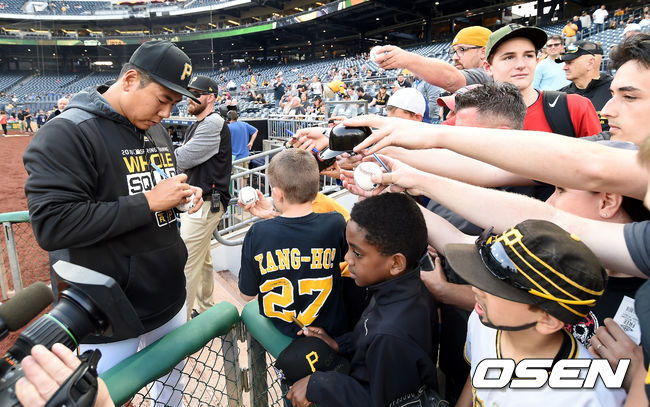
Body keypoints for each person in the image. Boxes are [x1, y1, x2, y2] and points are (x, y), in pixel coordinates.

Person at [22, 40, 203, 406]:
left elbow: (153, 193)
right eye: (163, 99)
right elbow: (53, 224)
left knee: (171, 396)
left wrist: (182, 194)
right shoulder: (66, 132)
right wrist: (149, 202)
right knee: (107, 398)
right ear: (131, 79)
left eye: (174, 104)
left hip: (167, 298)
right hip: (106, 316)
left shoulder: (156, 129)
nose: (167, 112)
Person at [285, 193, 438, 407]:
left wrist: (319, 384)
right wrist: (340, 344)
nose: (347, 258)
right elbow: (368, 337)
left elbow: (384, 402)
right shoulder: (396, 289)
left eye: (357, 253)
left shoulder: (391, 334)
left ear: (395, 263)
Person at [450, 220, 625, 406]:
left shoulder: (589, 396)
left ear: (548, 320)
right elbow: (477, 376)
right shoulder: (483, 321)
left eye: (498, 289)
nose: (476, 288)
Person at [238, 148, 349, 339]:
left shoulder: (258, 233)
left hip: (281, 334)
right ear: (316, 191)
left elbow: (247, 295)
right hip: (330, 332)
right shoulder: (335, 223)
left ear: (277, 194)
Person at [174, 75, 232, 320]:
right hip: (201, 199)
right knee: (203, 258)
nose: (190, 97)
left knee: (186, 260)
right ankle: (206, 307)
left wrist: (163, 154)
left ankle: (181, 323)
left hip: (207, 201)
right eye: (189, 93)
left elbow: (183, 159)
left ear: (211, 98)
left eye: (196, 93)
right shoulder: (197, 124)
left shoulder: (213, 122)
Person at [373, 26, 491, 93]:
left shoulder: (489, 75)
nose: (455, 57)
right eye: (454, 51)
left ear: (483, 52)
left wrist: (406, 59)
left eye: (462, 50)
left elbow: (451, 79)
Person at [558, 40, 612, 131]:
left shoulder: (616, 92)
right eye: (565, 63)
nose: (564, 68)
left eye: (570, 62)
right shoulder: (560, 96)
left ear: (590, 63)